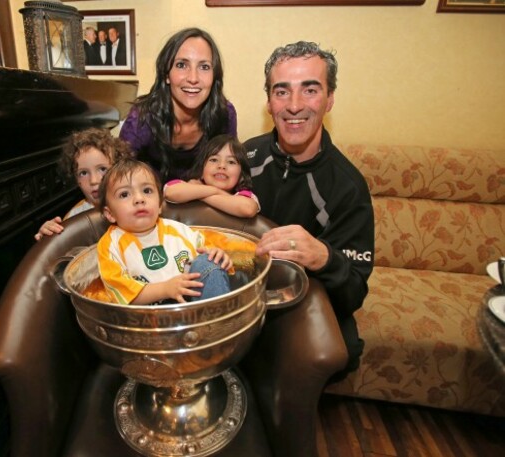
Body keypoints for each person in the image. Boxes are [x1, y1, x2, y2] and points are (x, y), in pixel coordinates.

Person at [245, 41, 374, 373]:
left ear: (329, 100)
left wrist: (324, 257)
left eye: (310, 90)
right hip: (245, 295)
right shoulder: (245, 157)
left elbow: (354, 293)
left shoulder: (348, 187)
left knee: (343, 351)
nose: (294, 105)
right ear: (269, 101)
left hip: (306, 300)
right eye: (282, 91)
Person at [96, 158, 232, 305]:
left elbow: (209, 256)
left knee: (208, 260)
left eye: (147, 191)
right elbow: (123, 296)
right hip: (147, 315)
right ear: (110, 214)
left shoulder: (179, 231)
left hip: (193, 307)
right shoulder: (111, 245)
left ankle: (219, 318)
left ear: (160, 204)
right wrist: (165, 289)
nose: (139, 199)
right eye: (124, 194)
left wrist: (217, 255)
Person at [119, 27, 237, 182]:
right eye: (181, 65)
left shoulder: (224, 114)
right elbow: (117, 179)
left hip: (205, 196)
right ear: (166, 75)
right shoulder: (141, 120)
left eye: (204, 67)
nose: (193, 78)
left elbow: (230, 176)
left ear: (214, 76)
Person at [34, 128, 132, 241]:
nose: (94, 180)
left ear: (119, 169)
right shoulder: (74, 217)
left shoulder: (134, 201)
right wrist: (47, 237)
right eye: (83, 173)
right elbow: (61, 246)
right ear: (76, 179)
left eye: (102, 169)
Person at [164, 134, 259, 218]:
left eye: (231, 162)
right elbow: (170, 192)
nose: (221, 166)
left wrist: (207, 192)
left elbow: (247, 209)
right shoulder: (188, 185)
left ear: (241, 175)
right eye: (214, 160)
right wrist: (214, 191)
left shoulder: (244, 196)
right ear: (201, 170)